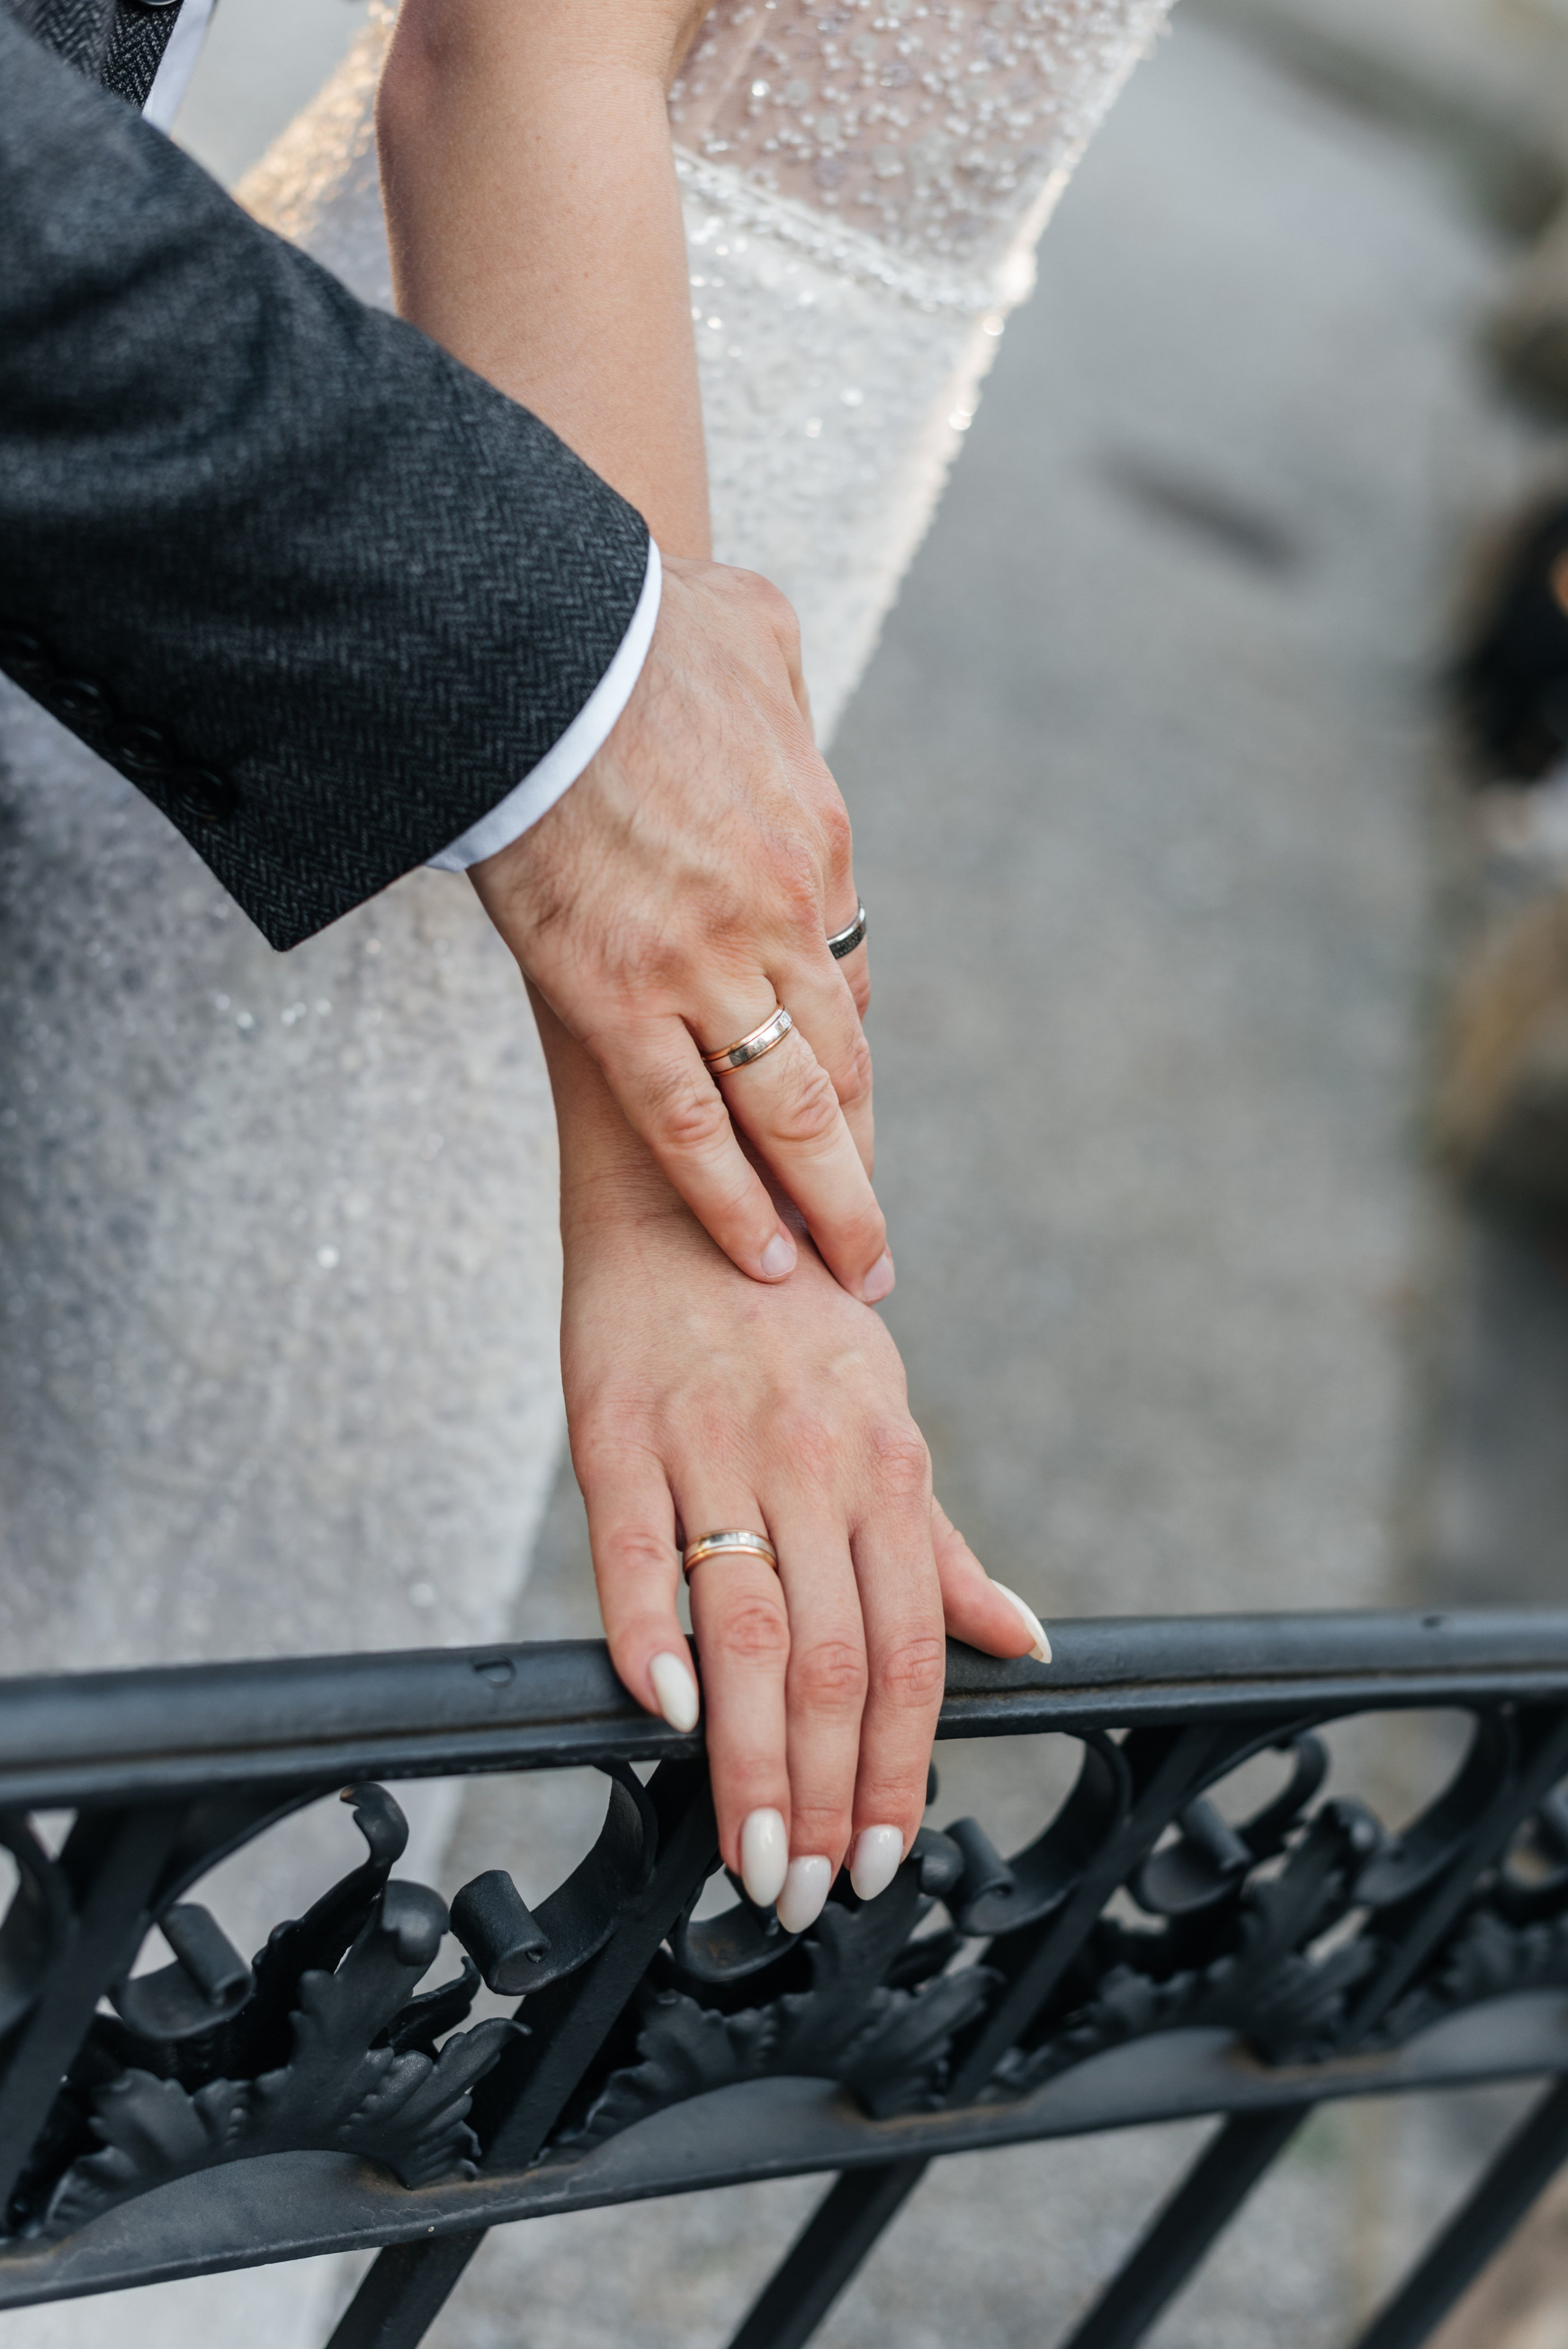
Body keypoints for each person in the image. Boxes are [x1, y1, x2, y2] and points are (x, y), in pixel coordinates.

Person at [0, 0, 1046, 1943]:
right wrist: (686, 1169)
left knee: (237, 1870)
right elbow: (522, 45)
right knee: (139, 1759)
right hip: (452, 743)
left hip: (575, 687)